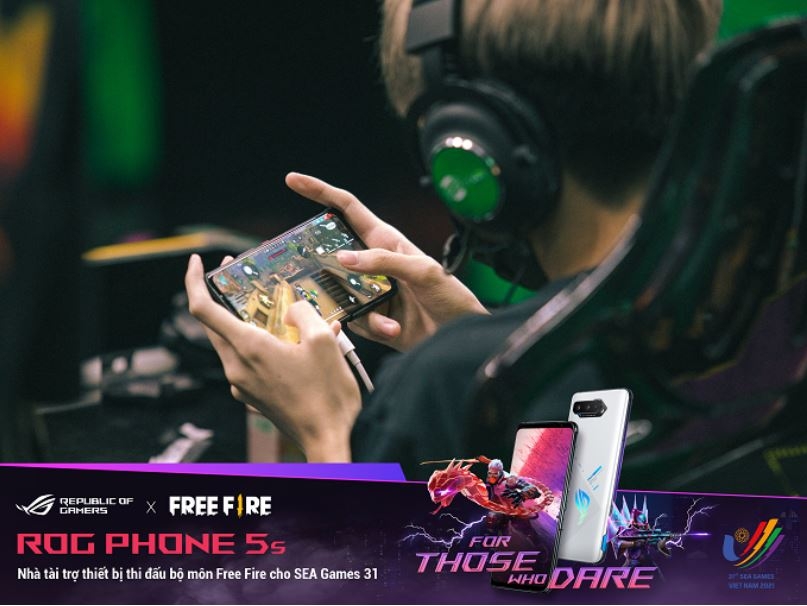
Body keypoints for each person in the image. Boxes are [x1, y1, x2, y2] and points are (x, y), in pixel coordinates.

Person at [185, 0, 723, 477]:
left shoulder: (435, 386)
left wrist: (329, 434)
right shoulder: (744, 301)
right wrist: (497, 354)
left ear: (467, 140)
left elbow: (380, 560)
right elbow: (587, 509)